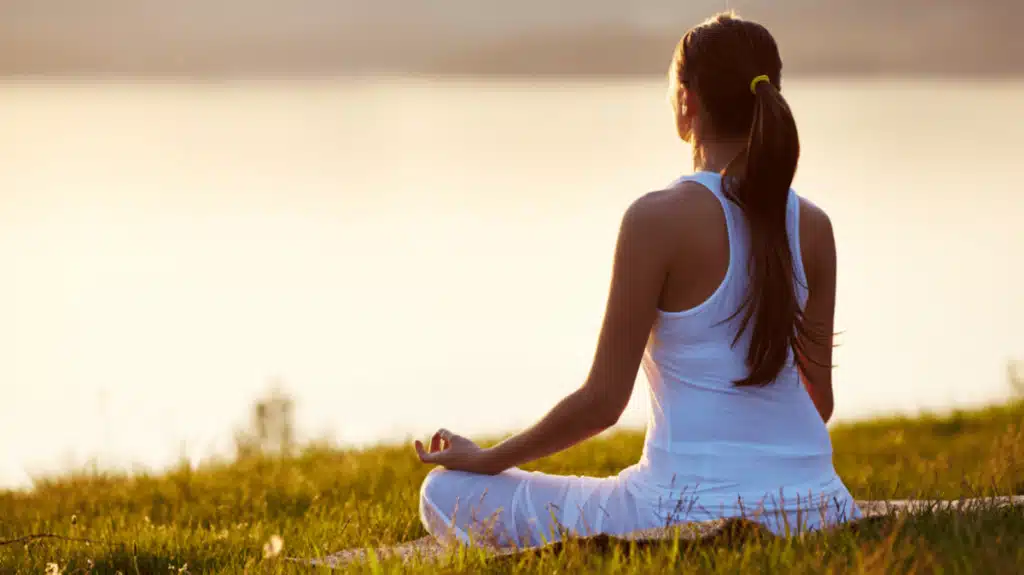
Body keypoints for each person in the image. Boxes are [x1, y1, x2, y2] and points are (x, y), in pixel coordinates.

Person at [413, 11, 861, 549]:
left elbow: (603, 403)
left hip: (678, 509)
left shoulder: (656, 219)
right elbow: (818, 403)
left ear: (687, 103)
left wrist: (488, 459)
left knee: (444, 491)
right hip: (822, 504)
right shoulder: (813, 225)